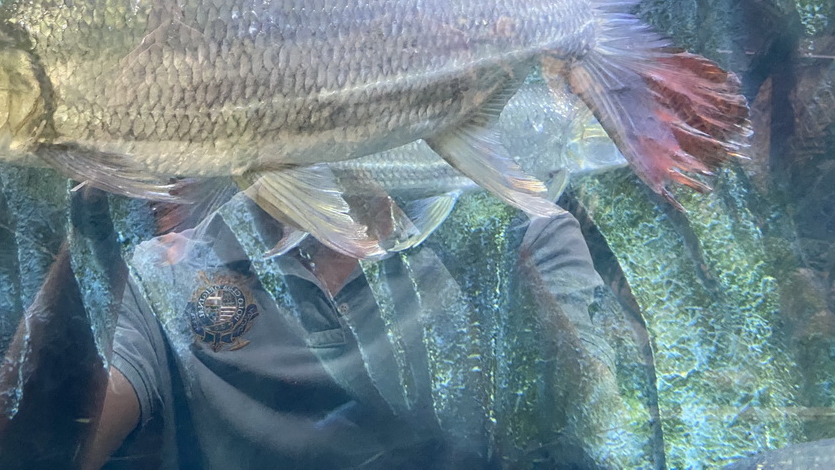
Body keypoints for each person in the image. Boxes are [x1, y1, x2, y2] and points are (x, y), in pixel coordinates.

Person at [78, 198, 614, 469]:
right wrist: (85, 235)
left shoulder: (518, 227)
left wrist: (490, 254)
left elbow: (601, 432)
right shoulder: (173, 269)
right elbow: (59, 449)